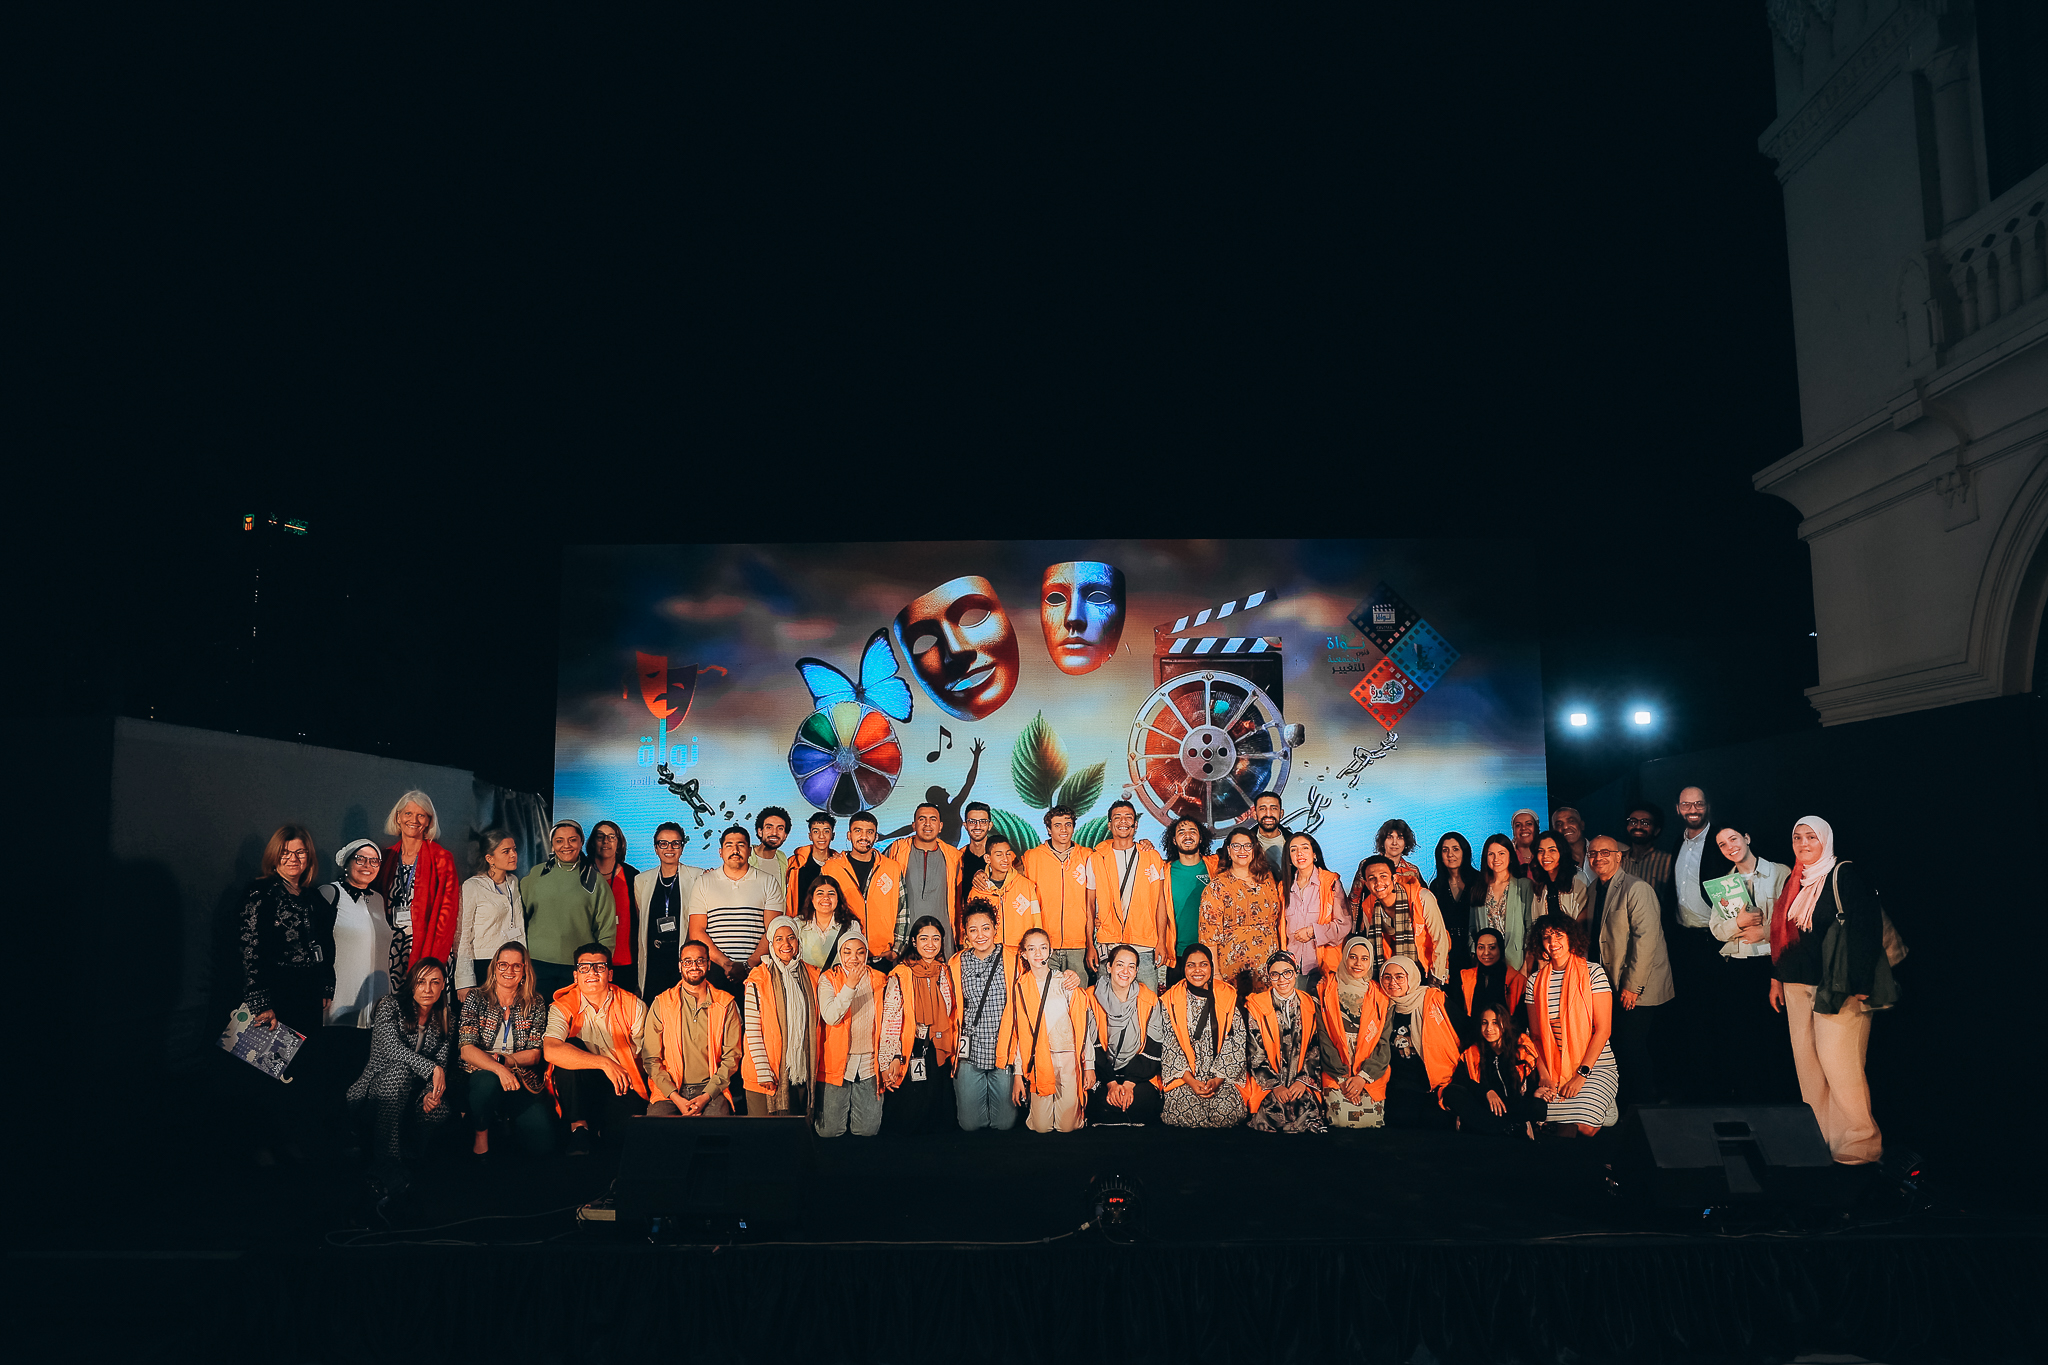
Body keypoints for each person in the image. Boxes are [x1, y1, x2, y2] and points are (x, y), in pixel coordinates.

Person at [1769, 817, 1884, 1165]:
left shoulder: (1843, 875)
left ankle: (1861, 1143)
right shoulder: (1796, 879)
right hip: (1796, 983)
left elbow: (1866, 928)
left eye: (1811, 837)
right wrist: (1776, 978)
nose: (1803, 844)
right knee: (1809, 1066)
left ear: (1826, 840)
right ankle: (1820, 1137)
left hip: (1836, 986)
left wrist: (1861, 984)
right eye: (1797, 837)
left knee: (1840, 1064)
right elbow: (1783, 934)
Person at [240, 824, 337, 1159]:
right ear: (275, 856)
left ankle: (292, 1139)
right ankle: (263, 1144)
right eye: (286, 852)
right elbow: (250, 948)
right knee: (268, 1071)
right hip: (276, 994)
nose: (293, 858)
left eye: (300, 852)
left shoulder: (312, 897)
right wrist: (260, 1002)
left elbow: (326, 945)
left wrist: (326, 983)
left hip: (307, 993)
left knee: (301, 1070)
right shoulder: (262, 892)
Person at [345, 956, 453, 1192]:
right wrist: (431, 1069)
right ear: (412, 983)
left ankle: (411, 1158)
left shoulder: (446, 1018)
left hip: (413, 1096)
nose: (427, 989)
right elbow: (391, 1048)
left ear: (443, 985)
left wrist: (430, 1094)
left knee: (440, 1109)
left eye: (435, 982)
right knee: (399, 1072)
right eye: (421, 982)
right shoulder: (390, 1005)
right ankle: (387, 1165)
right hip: (375, 1094)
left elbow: (441, 1065)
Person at [1584, 835, 1673, 1109]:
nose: (1598, 858)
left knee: (1632, 1046)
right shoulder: (1593, 888)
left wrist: (1633, 986)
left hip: (1638, 984)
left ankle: (1645, 1107)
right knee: (1620, 1046)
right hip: (1609, 983)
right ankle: (1625, 1104)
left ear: (1618, 856)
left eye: (1605, 852)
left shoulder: (1637, 888)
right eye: (1592, 853)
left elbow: (1646, 939)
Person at [1706, 822, 1793, 1101]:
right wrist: (1739, 923)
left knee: (1774, 1037)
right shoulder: (1723, 884)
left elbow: (1793, 921)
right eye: (1722, 844)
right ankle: (1748, 1099)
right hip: (1737, 966)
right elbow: (1717, 930)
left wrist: (1764, 931)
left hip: (1770, 964)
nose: (1730, 847)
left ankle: (1778, 1100)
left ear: (1747, 838)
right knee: (1742, 1037)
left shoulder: (1779, 872)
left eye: (1733, 839)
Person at [542, 943, 648, 1156]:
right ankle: (578, 1127)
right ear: (575, 976)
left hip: (622, 1081)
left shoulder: (634, 1005)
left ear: (610, 974)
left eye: (599, 966)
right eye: (584, 968)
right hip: (581, 1084)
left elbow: (647, 1057)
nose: (591, 972)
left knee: (619, 1140)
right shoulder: (562, 1006)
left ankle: (601, 1131)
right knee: (569, 1047)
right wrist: (604, 1063)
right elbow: (550, 1050)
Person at [1524, 912, 1619, 1134]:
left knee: (1585, 1127)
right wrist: (1545, 1077)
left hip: (1594, 1065)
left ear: (1570, 937)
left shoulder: (1593, 972)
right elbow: (1535, 1037)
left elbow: (1603, 1030)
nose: (1553, 942)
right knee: (1555, 1123)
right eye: (1546, 937)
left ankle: (1605, 1100)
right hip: (1553, 1066)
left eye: (1558, 935)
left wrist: (1580, 1076)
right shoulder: (1534, 982)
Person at [458, 942, 554, 1158]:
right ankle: (481, 1134)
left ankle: (505, 1119)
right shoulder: (476, 997)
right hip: (480, 1072)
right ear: (494, 967)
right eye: (503, 964)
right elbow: (466, 1049)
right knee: (487, 1082)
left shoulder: (535, 1001)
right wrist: (498, 1068)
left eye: (516, 966)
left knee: (543, 1142)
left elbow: (535, 1054)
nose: (509, 970)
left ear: (524, 971)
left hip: (519, 1075)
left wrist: (505, 1062)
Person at [320, 839, 392, 1087]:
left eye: (374, 861)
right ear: (347, 862)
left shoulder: (379, 899)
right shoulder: (329, 893)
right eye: (360, 859)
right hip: (339, 1000)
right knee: (335, 1069)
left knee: (362, 1073)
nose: (367, 865)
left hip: (375, 1004)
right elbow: (316, 943)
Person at [641, 940, 741, 1119]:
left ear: (708, 965)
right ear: (680, 966)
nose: (694, 966)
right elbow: (651, 1059)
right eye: (687, 961)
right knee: (655, 1128)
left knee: (716, 1129)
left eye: (700, 961)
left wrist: (706, 1096)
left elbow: (732, 1057)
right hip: (669, 1090)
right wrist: (675, 1097)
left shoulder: (726, 1003)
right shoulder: (662, 1003)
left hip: (711, 1089)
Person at [521, 820, 617, 999]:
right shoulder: (536, 875)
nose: (566, 845)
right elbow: (519, 919)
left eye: (572, 840)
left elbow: (606, 931)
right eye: (559, 841)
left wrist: (598, 967)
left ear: (581, 842)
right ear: (552, 844)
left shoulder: (595, 881)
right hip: (536, 964)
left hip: (579, 967)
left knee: (573, 1016)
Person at [1158, 943, 1250, 1129]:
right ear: (1183, 968)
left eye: (1203, 964)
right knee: (1189, 1114)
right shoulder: (1170, 1000)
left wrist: (1217, 1080)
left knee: (1225, 1115)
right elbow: (1169, 1044)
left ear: (1211, 967)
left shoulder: (1227, 995)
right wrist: (1191, 1081)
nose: (1197, 970)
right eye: (1191, 965)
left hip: (1222, 1077)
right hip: (1185, 1078)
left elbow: (1236, 1041)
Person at [1083, 800, 1174, 988]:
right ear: (1110, 825)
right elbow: (1090, 905)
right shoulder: (1096, 859)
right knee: (1107, 1000)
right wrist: (1090, 945)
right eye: (1117, 817)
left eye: (1128, 817)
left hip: (1145, 944)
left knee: (1148, 999)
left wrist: (1161, 942)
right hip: (1108, 944)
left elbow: (1160, 903)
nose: (1123, 821)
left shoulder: (1152, 857)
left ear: (1136, 824)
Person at [879, 916, 957, 1133]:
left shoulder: (945, 972)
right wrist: (890, 1058)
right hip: (910, 1048)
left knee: (939, 1118)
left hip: (938, 1047)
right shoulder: (901, 974)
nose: (930, 944)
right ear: (913, 941)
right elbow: (891, 1020)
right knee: (909, 1119)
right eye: (924, 938)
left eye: (936, 938)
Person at [371, 791, 461, 978]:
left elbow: (448, 914)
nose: (414, 820)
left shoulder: (441, 858)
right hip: (389, 948)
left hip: (427, 949)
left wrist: (434, 960)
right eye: (408, 813)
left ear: (429, 821)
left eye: (421, 815)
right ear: (398, 817)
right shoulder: (386, 857)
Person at [949, 903, 1021, 1132]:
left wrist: (1067, 977)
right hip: (970, 1050)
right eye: (973, 930)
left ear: (995, 929)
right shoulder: (956, 963)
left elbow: (1040, 979)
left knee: (1005, 1124)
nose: (980, 935)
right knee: (970, 1125)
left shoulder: (1015, 958)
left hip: (1003, 1051)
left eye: (985, 928)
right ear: (966, 934)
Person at [689, 826, 786, 994]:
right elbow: (696, 931)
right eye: (729, 845)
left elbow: (773, 930)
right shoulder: (703, 882)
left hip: (757, 971)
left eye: (741, 845)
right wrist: (725, 963)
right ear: (720, 852)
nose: (735, 850)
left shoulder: (768, 882)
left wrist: (749, 964)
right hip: (716, 971)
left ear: (750, 851)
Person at [1010, 927, 1088, 1133]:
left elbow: (1082, 1025)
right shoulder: (1021, 986)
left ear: (1051, 951)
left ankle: (1078, 1113)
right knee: (1041, 1127)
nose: (1038, 953)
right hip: (1040, 1059)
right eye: (1031, 949)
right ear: (1023, 954)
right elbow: (1020, 1034)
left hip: (1067, 1055)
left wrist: (1088, 1065)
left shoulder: (1065, 981)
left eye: (1043, 948)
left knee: (1067, 1127)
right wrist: (1018, 1073)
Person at [742, 917, 819, 1118]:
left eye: (791, 938)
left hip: (800, 1072)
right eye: (779, 939)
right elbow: (752, 1029)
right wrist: (763, 1070)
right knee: (764, 1132)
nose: (786, 944)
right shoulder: (758, 978)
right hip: (765, 1072)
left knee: (795, 1131)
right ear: (771, 943)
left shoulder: (812, 974)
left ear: (798, 941)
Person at [1082, 944, 1164, 1126]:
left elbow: (1154, 1045)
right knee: (1097, 1101)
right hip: (1103, 1074)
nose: (1125, 971)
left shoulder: (1149, 999)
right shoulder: (1090, 997)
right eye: (1120, 965)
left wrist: (1129, 1084)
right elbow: (1091, 1044)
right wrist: (1111, 1083)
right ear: (1109, 967)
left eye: (1131, 966)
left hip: (1137, 1075)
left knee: (1144, 1101)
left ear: (1137, 971)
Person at [816, 929, 887, 1137]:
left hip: (868, 1062)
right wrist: (850, 986)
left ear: (867, 954)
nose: (853, 958)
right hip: (837, 1061)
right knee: (828, 1131)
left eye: (860, 952)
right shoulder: (828, 979)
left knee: (868, 1130)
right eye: (847, 952)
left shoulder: (880, 979)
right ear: (840, 954)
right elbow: (831, 1017)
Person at [1244, 952, 1325, 1133]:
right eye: (1275, 974)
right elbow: (1255, 1052)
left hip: (1301, 1081)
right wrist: (1276, 1085)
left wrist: (1302, 1081)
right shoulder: (1257, 1007)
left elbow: (1315, 1048)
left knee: (1307, 1115)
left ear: (1296, 973)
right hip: (1269, 1083)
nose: (1282, 979)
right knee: (1269, 1118)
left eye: (1287, 972)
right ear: (1268, 977)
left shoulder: (1310, 1004)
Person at [1376, 955, 1460, 1130]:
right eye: (1387, 977)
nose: (1392, 982)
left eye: (1399, 977)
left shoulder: (1433, 999)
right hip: (1401, 1082)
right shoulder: (1381, 1004)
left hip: (1436, 1080)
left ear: (1412, 977)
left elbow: (1464, 1030)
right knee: (1400, 1122)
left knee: (1437, 1123)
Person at [1315, 936, 1391, 1129]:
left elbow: (1383, 1042)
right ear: (1344, 958)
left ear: (1370, 962)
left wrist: (1362, 1078)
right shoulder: (1325, 989)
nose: (1358, 963)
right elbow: (1323, 1037)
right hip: (1335, 1067)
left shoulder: (1381, 996)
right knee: (1340, 1120)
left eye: (1364, 958)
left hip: (1368, 1070)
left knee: (1371, 1121)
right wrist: (1343, 1079)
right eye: (1353, 957)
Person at [1200, 827, 1283, 994]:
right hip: (1234, 969)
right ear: (1229, 851)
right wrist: (1215, 973)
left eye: (1247, 846)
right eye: (1236, 846)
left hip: (1269, 966)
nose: (1242, 850)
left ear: (1254, 850)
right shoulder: (1217, 886)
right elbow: (1208, 936)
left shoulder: (1267, 879)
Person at [1443, 1004, 1540, 1138]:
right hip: (1485, 1106)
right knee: (1451, 1092)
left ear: (1504, 1024)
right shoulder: (1473, 1052)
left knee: (1539, 1107)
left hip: (1511, 1106)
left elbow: (1529, 1082)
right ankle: (1507, 1128)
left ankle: (1491, 1127)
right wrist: (1487, 1092)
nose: (1489, 1028)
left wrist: (1535, 1093)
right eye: (1485, 1023)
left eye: (1495, 1023)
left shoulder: (1520, 1048)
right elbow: (1461, 1080)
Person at [1353, 854, 1451, 986]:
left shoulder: (1422, 897)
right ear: (1366, 884)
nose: (1378, 882)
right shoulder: (1368, 906)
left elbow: (1440, 938)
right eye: (1372, 878)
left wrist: (1437, 975)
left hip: (1425, 969)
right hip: (1391, 974)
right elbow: (1372, 946)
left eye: (1383, 876)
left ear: (1394, 878)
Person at [1018, 804, 1091, 979]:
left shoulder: (1088, 856)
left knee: (1077, 993)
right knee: (1046, 992)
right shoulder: (1032, 857)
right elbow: (1007, 876)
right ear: (1049, 830)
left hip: (1078, 944)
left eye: (1068, 824)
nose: (1063, 830)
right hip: (1043, 944)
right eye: (1057, 825)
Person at [819, 812, 904, 960]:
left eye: (869, 832)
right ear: (849, 835)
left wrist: (896, 950)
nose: (864, 837)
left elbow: (903, 911)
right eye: (858, 831)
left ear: (876, 837)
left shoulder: (892, 868)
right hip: (843, 956)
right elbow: (819, 912)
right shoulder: (831, 869)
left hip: (882, 956)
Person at [633, 822, 701, 1004]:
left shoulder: (698, 876)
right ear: (656, 848)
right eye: (663, 843)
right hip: (653, 959)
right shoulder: (641, 880)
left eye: (675, 843)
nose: (669, 848)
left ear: (682, 847)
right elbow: (640, 921)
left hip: (682, 957)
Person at [453, 827, 524, 998]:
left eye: (514, 849)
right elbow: (463, 935)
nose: (513, 855)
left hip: (511, 964)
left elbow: (520, 926)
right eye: (506, 851)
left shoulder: (513, 882)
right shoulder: (472, 886)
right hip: (483, 964)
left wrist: (524, 966)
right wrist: (464, 980)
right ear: (489, 858)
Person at [886, 803, 961, 960]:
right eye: (922, 819)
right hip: (903, 938)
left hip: (943, 939)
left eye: (933, 819)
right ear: (914, 825)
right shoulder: (896, 850)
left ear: (940, 826)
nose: (927, 824)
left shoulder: (953, 857)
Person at [1281, 831, 1349, 978]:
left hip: (1323, 969)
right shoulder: (1282, 888)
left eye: (1305, 848)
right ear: (1289, 858)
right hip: (1291, 968)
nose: (1299, 853)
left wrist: (1313, 932)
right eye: (1293, 850)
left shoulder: (1331, 883)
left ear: (1314, 854)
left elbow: (1344, 925)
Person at [1448, 928, 1527, 1047]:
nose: (1486, 953)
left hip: (1506, 1044)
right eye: (1481, 947)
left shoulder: (1516, 980)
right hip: (1473, 1042)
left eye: (1492, 947)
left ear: (1501, 949)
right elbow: (1458, 1015)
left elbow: (1520, 1020)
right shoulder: (1465, 977)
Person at [587, 820, 640, 994]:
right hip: (590, 959)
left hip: (625, 959)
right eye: (600, 837)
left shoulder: (632, 875)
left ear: (619, 843)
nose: (606, 841)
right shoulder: (582, 873)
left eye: (611, 837)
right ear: (593, 842)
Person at [1162, 817, 1216, 984]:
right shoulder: (1165, 871)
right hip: (1178, 954)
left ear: (1201, 838)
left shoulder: (1215, 866)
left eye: (1192, 831)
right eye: (1181, 832)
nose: (1187, 836)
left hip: (1211, 952)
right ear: (1174, 840)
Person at [1471, 834, 1534, 974]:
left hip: (1516, 962)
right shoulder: (1479, 888)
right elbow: (1472, 928)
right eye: (1491, 854)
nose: (1496, 859)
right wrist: (1475, 955)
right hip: (1485, 963)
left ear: (1510, 856)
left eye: (1501, 853)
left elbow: (1530, 928)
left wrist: (1527, 964)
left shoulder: (1524, 886)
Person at [969, 833, 1043, 948]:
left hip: (1019, 952)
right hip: (989, 953)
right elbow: (970, 928)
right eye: (999, 855)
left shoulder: (1026, 886)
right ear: (987, 858)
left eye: (1008, 853)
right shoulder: (978, 891)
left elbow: (1037, 923)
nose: (1005, 859)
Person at [1526, 831, 1585, 971]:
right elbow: (1536, 922)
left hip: (1573, 951)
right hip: (1547, 951)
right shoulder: (1540, 882)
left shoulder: (1577, 878)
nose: (1545, 856)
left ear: (1562, 852)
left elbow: (1581, 920)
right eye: (1541, 851)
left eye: (1552, 850)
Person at [1430, 831, 1478, 966]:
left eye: (1455, 849)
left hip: (1475, 949)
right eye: (1445, 850)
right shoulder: (1436, 885)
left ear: (1464, 852)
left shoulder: (1478, 881)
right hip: (1447, 950)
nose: (1450, 854)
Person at [797, 874, 862, 969]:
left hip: (839, 978)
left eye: (831, 894)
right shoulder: (798, 924)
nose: (826, 898)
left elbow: (856, 961)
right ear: (812, 898)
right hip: (807, 977)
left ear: (838, 899)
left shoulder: (851, 926)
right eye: (820, 893)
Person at [1620, 804, 1674, 907]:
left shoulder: (1667, 861)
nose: (1638, 826)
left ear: (1656, 830)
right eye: (1633, 822)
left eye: (1645, 823)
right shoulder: (1619, 860)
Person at [787, 813, 837, 913]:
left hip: (832, 920)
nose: (821, 836)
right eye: (816, 831)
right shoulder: (796, 864)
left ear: (832, 835)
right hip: (800, 920)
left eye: (826, 831)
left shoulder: (839, 865)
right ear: (810, 836)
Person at [1549, 807, 1596, 886]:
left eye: (1571, 821)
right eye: (1559, 824)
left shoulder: (1601, 852)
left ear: (1582, 825)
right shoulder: (1554, 863)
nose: (1565, 827)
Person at [958, 803, 995, 899]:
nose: (977, 826)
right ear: (965, 825)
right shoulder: (957, 858)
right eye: (972, 822)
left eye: (983, 821)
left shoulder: (1003, 856)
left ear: (990, 825)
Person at [1248, 791, 1290, 872]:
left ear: (1281, 813)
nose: (1268, 814)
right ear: (1254, 814)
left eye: (1273, 808)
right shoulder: (1242, 843)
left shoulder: (1294, 843)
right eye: (1262, 809)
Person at [751, 806, 793, 883]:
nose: (774, 833)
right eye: (769, 827)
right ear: (760, 831)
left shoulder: (782, 858)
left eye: (780, 828)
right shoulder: (744, 856)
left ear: (785, 835)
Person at [1510, 809, 1540, 878]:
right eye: (1518, 825)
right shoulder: (1506, 858)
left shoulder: (1546, 856)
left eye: (1529, 824)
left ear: (1537, 828)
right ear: (1513, 831)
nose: (1523, 828)